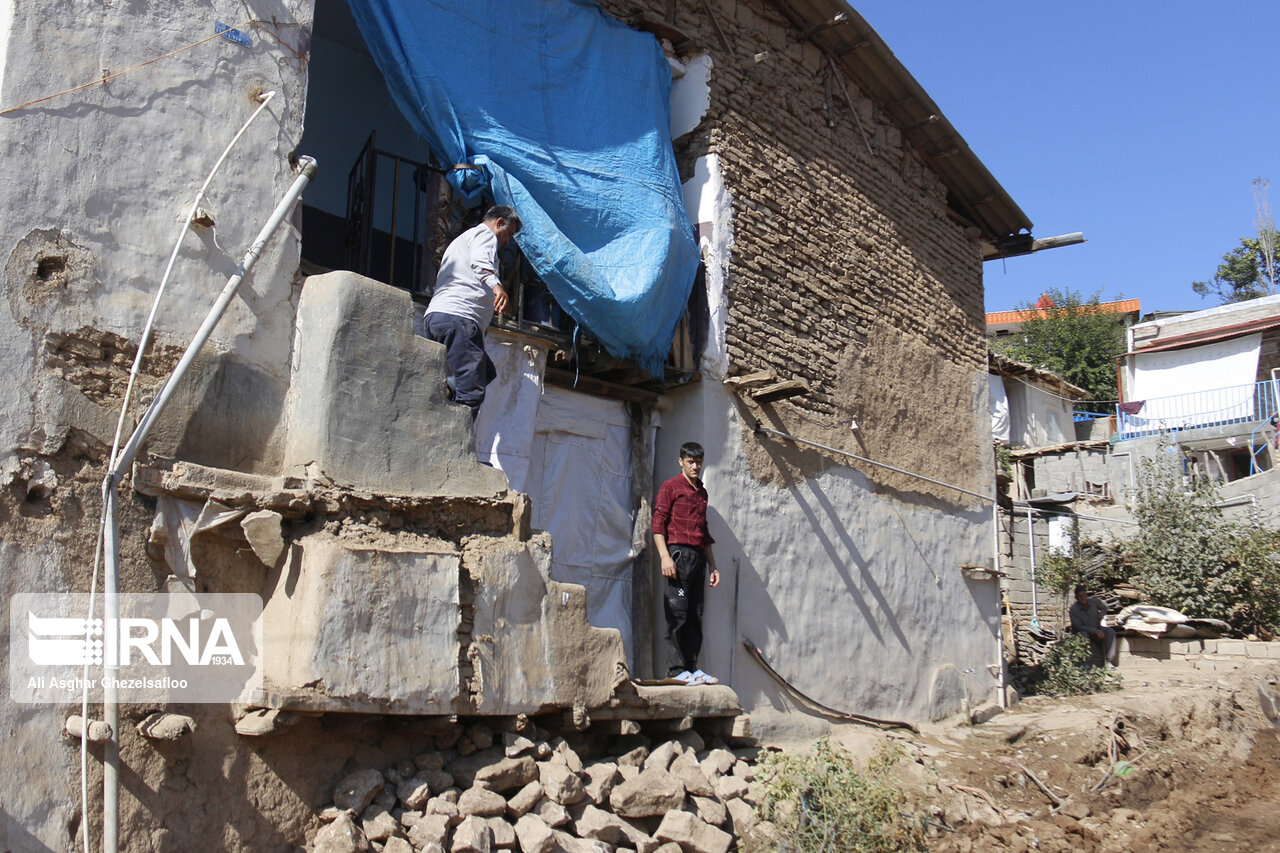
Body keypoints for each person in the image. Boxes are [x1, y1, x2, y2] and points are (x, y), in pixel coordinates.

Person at [415, 205, 523, 419]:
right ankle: (456, 447)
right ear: (499, 222)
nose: (507, 241)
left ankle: (447, 390)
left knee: (484, 371)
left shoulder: (463, 240)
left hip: (439, 317)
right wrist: (497, 286)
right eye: (508, 234)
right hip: (460, 318)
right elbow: (481, 262)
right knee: (471, 392)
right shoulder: (485, 235)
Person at [652, 441, 721, 685]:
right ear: (681, 461)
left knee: (695, 614)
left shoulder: (702, 492)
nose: (695, 466)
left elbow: (704, 533)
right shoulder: (670, 487)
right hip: (677, 556)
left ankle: (692, 668)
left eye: (699, 462)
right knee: (676, 613)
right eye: (690, 461)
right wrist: (664, 556)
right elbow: (658, 522)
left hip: (697, 558)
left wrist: (712, 566)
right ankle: (675, 670)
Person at [1069, 585, 1118, 668]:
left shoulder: (1094, 602)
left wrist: (1101, 614)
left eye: (1084, 595)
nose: (1083, 598)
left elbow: (1104, 607)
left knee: (1110, 632)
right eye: (1080, 596)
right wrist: (1095, 631)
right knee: (1083, 635)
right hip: (1083, 632)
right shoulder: (1074, 609)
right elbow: (1079, 627)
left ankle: (1110, 661)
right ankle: (1085, 662)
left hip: (1097, 629)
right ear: (1076, 598)